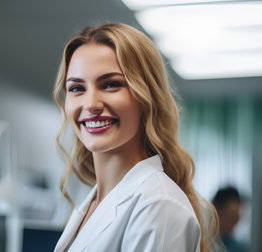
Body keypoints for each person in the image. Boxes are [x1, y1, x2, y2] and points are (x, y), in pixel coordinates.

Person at [52, 23, 218, 252]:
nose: (90, 105)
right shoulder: (93, 203)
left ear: (146, 97)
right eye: (77, 88)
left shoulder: (158, 205)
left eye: (111, 85)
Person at [212, 186, 247, 252]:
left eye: (236, 217)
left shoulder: (238, 247)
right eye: (231, 217)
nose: (235, 222)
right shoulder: (203, 243)